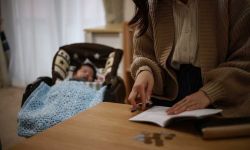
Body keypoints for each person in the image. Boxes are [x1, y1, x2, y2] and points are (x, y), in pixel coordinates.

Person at [128, 0, 250, 117]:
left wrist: (211, 92)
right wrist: (145, 71)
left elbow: (244, 60)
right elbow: (144, 53)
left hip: (224, 98)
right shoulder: (152, 4)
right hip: (166, 95)